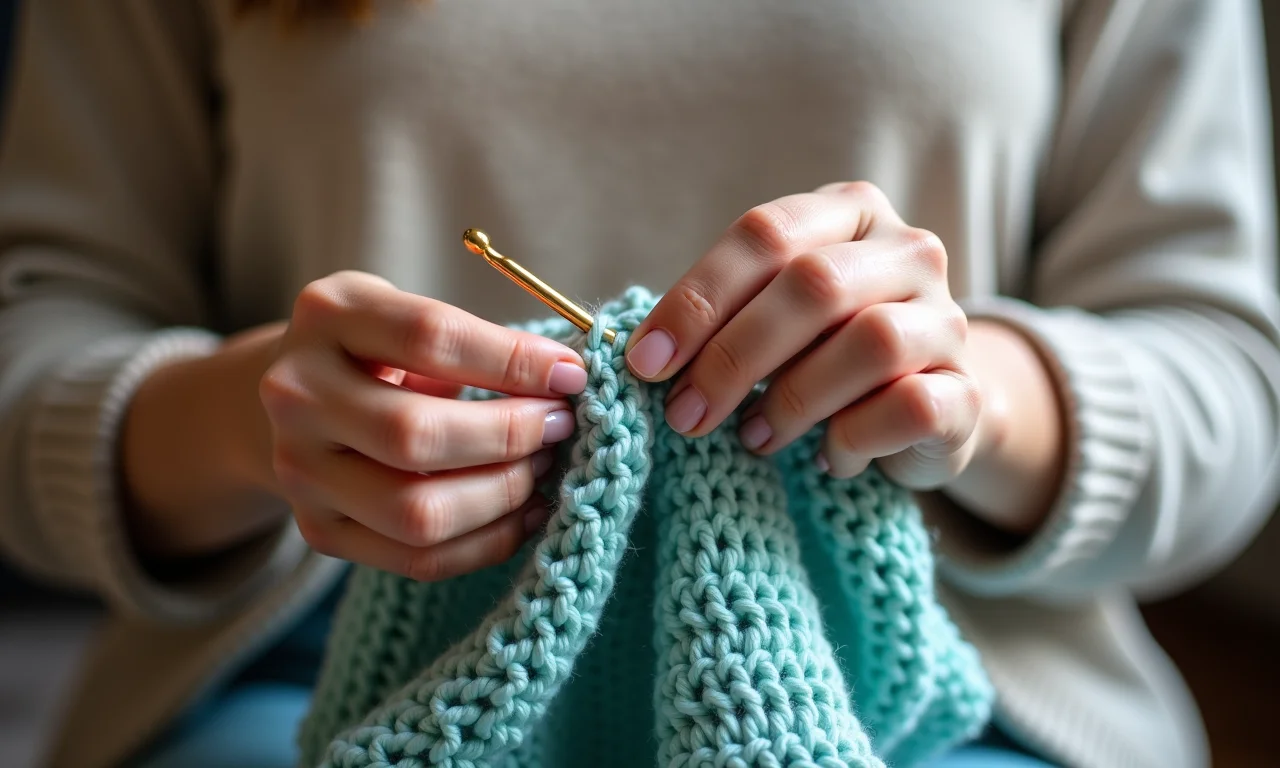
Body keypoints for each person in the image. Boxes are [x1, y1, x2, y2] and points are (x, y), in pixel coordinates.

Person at [1, 1, 1277, 766]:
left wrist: (968, 394)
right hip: (314, 671)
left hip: (969, 690)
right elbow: (33, 341)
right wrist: (245, 421)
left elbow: (1229, 384)